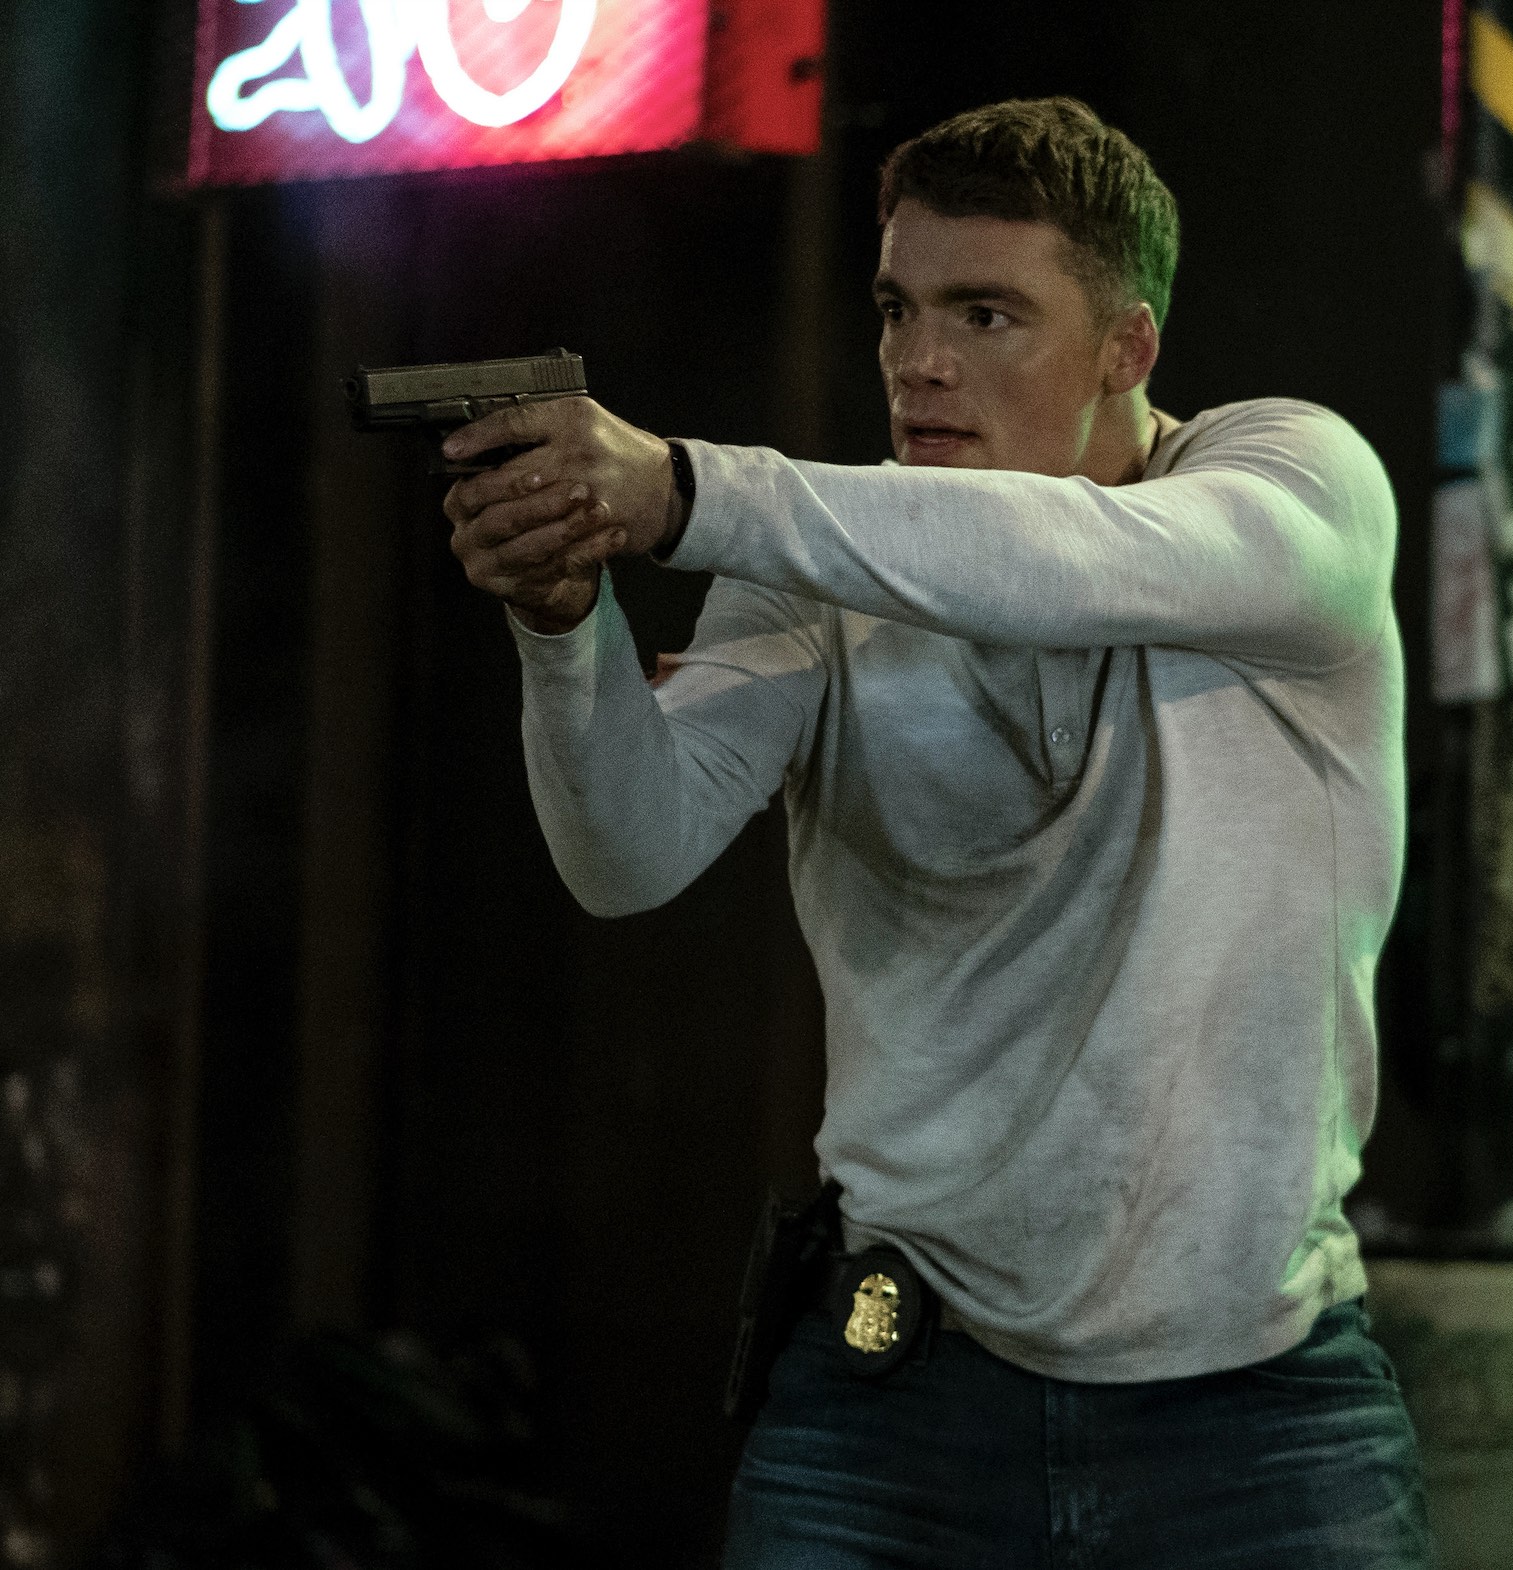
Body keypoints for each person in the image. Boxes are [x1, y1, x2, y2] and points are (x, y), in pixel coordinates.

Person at [439, 96, 1427, 1569]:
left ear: (1128, 349)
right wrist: (562, 624)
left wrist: (687, 489)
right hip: (895, 1389)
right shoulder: (820, 558)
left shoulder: (1295, 480)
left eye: (986, 314)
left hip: (1252, 1413)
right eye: (900, 307)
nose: (920, 360)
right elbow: (627, 856)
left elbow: (1067, 562)